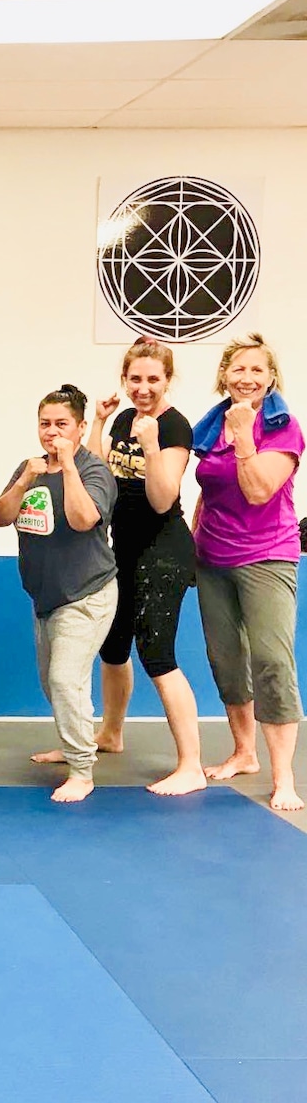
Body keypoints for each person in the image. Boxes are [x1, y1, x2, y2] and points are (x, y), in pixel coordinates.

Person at [32, 338, 203, 795]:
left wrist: (151, 446)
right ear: (124, 379)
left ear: (168, 380)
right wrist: (101, 422)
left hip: (162, 553)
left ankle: (191, 765)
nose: (143, 387)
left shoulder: (174, 426)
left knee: (158, 656)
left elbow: (162, 499)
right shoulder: (126, 418)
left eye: (153, 379)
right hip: (121, 549)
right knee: (112, 649)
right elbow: (98, 474)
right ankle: (109, 733)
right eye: (135, 379)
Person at [191, 333, 303, 811]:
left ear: (271, 378)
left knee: (272, 662)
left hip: (267, 555)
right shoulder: (209, 426)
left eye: (258, 369)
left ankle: (283, 777)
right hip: (212, 557)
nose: (247, 377)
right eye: (239, 368)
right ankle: (243, 752)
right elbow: (209, 490)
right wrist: (192, 540)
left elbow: (258, 490)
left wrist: (242, 436)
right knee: (226, 659)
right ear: (225, 376)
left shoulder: (283, 427)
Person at [0, 384, 117, 803]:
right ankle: (73, 742)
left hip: (87, 594)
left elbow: (83, 520)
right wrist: (26, 479)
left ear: (80, 428)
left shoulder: (94, 470)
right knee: (53, 682)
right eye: (45, 424)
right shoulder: (28, 467)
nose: (52, 432)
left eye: (62, 424)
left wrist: (67, 469)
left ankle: (82, 770)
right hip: (46, 596)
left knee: (65, 679)